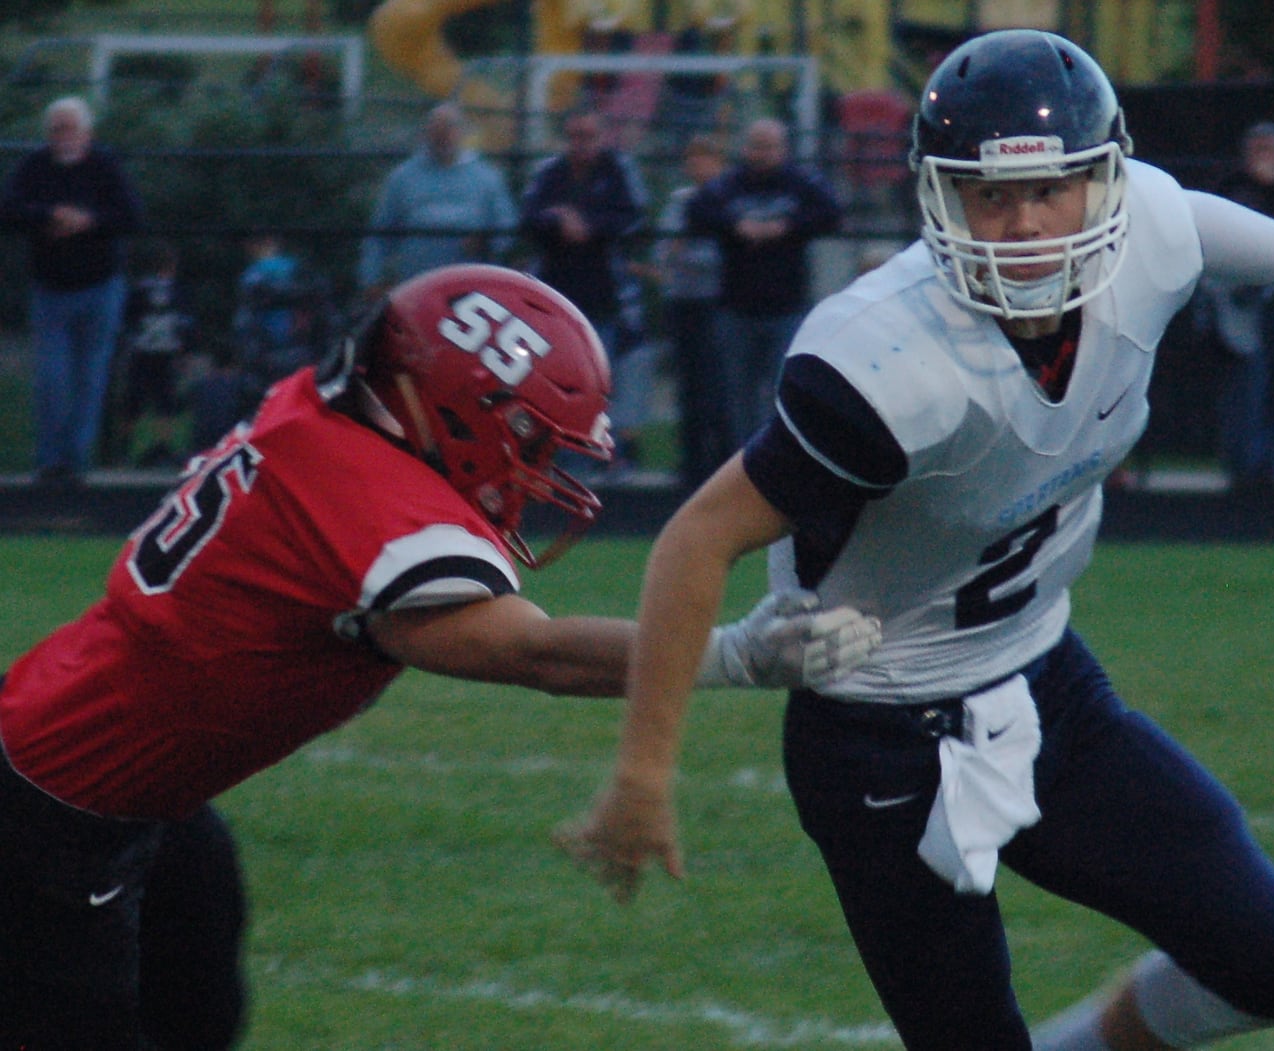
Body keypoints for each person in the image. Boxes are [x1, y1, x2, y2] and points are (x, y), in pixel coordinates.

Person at [556, 30, 1274, 1051]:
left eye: (1052, 191)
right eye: (990, 197)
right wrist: (642, 775)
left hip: (1046, 684)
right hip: (875, 732)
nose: (1024, 225)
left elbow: (1189, 220)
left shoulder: (1145, 232)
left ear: (1102, 185)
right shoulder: (887, 361)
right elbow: (692, 540)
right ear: (940, 200)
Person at [0, 263, 880, 1050]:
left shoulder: (323, 407)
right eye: (533, 440)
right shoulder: (371, 507)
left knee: (199, 991)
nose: (539, 469)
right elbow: (535, 653)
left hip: (119, 771)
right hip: (58, 801)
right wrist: (736, 654)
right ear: (459, 409)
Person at [0, 95, 144, 490]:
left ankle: (76, 463)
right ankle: (49, 462)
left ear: (87, 133)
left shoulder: (105, 166)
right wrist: (49, 216)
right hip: (51, 290)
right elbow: (8, 209)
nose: (63, 136)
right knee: (51, 379)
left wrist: (88, 222)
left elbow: (131, 215)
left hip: (100, 288)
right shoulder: (34, 167)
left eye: (71, 128)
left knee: (90, 378)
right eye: (56, 129)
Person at [687, 117, 843, 443]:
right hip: (736, 307)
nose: (761, 154)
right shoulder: (729, 184)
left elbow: (832, 213)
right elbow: (697, 211)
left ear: (783, 149)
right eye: (756, 146)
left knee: (782, 391)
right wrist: (735, 226)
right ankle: (741, 463)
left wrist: (785, 227)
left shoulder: (800, 183)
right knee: (737, 394)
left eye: (769, 147)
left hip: (787, 306)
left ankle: (780, 460)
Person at [519, 109, 652, 472]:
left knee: (601, 382)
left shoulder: (618, 171)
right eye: (575, 136)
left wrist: (589, 226)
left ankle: (606, 457)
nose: (581, 145)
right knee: (557, 381)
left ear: (602, 137)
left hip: (604, 298)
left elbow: (634, 217)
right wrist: (558, 219)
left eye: (589, 136)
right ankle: (562, 460)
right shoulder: (550, 173)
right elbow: (528, 216)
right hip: (555, 301)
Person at [1205, 120, 1274, 490]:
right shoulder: (1231, 186)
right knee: (1245, 387)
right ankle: (1242, 468)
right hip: (1240, 306)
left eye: (1271, 150)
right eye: (1258, 149)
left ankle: (1270, 466)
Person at [641, 132, 733, 489]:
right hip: (683, 303)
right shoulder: (680, 201)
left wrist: (685, 253)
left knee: (720, 386)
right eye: (693, 158)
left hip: (718, 304)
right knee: (690, 386)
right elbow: (664, 253)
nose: (698, 166)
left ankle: (725, 461)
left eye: (705, 158)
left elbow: (720, 257)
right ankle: (692, 464)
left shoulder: (729, 198)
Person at [357, 101, 518, 302]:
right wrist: (371, 279)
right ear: (426, 133)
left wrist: (485, 241)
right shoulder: (403, 178)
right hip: (416, 291)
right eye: (436, 130)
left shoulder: (487, 178)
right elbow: (379, 235)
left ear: (462, 132)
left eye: (449, 128)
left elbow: (507, 231)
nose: (443, 136)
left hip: (473, 292)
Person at [116, 238, 194, 468]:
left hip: (141, 352)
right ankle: (163, 448)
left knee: (134, 402)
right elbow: (186, 324)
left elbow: (127, 322)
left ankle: (124, 449)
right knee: (165, 402)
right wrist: (186, 352)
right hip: (167, 353)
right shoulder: (177, 291)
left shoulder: (138, 290)